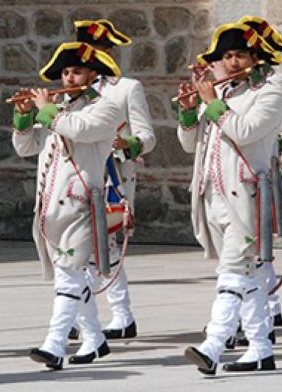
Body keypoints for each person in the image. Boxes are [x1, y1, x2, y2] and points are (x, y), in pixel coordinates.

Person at [177, 23, 282, 374]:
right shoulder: (222, 92)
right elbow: (188, 142)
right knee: (249, 274)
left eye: (240, 54)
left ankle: (213, 345)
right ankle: (260, 348)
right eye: (227, 56)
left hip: (248, 193)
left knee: (231, 272)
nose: (232, 61)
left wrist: (211, 103)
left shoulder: (273, 88)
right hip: (212, 194)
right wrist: (187, 111)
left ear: (256, 58)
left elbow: (245, 130)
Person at [12, 42, 122, 370]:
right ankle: (95, 339)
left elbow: (80, 130)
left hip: (82, 205)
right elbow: (26, 147)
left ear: (91, 75)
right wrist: (22, 118)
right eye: (65, 72)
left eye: (76, 71)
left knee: (68, 276)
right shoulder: (58, 109)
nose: (69, 78)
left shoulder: (105, 107)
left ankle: (54, 344)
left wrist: (47, 111)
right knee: (72, 277)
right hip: (50, 208)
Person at [72, 20, 156, 341]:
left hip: (115, 174)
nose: (95, 55)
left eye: (101, 49)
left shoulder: (126, 87)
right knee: (87, 246)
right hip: (79, 174)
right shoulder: (74, 84)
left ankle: (115, 314)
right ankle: (103, 314)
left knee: (104, 243)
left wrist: (129, 144)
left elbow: (146, 135)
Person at [238, 16, 282, 330]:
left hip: (263, 174)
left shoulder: (274, 86)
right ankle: (260, 311)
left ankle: (267, 310)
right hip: (231, 178)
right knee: (243, 253)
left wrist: (274, 142)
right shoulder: (232, 89)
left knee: (260, 248)